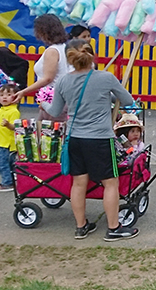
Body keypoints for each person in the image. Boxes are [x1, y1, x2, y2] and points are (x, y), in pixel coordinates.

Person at [43, 39, 139, 241]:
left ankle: (81, 226)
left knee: (78, 184)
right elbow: (128, 100)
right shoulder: (106, 78)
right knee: (110, 183)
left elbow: (54, 110)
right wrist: (108, 97)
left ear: (70, 59)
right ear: (92, 56)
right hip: (99, 139)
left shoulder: (63, 81)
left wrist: (42, 102)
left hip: (75, 138)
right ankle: (114, 227)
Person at [14, 14, 73, 120]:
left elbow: (48, 78)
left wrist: (24, 91)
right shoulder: (64, 48)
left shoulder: (52, 51)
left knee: (49, 133)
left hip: (54, 100)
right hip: (62, 98)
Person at [0, 82, 20, 191]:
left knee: (4, 163)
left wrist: (8, 124)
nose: (4, 97)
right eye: (2, 95)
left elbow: (15, 127)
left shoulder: (13, 111)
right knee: (7, 163)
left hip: (7, 143)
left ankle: (7, 183)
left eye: (8, 95)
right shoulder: (2, 110)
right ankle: (12, 178)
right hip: (2, 141)